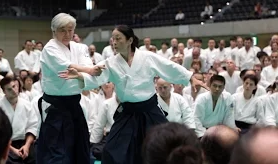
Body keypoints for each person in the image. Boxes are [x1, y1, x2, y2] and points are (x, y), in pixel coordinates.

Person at [60, 25, 206, 164]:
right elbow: (96, 76)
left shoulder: (147, 57)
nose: (114, 42)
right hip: (127, 113)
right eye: (113, 39)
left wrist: (190, 78)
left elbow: (169, 68)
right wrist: (80, 76)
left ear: (130, 40)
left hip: (150, 111)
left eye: (118, 38)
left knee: (163, 147)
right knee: (112, 150)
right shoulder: (110, 63)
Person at [36, 13, 103, 164]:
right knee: (57, 152)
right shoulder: (49, 48)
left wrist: (83, 73)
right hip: (55, 107)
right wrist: (89, 71)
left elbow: (89, 73)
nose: (67, 34)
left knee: (80, 148)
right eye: (62, 30)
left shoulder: (80, 48)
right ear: (53, 31)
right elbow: (67, 66)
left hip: (74, 104)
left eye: (70, 30)